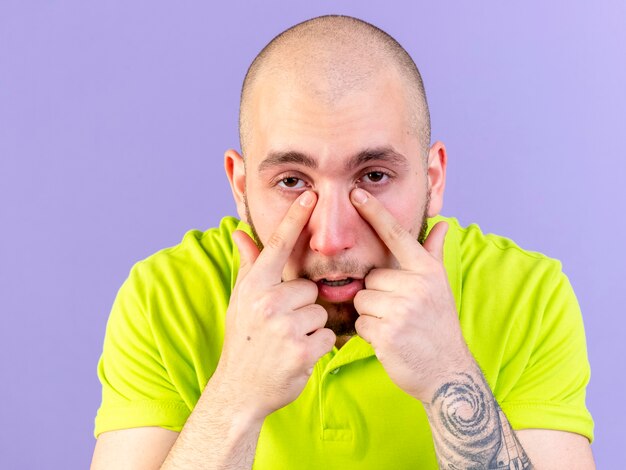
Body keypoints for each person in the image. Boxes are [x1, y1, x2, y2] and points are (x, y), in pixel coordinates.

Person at [90, 15, 594, 469]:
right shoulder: (164, 297)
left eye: (374, 175)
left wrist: (447, 372)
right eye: (291, 181)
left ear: (432, 179)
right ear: (240, 187)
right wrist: (236, 396)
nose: (330, 239)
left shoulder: (529, 294)